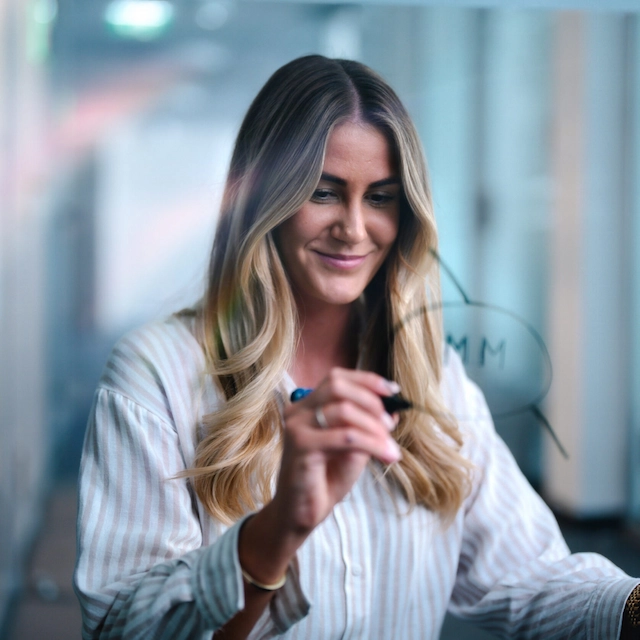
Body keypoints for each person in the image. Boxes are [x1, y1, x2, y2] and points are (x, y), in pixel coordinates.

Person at [74, 55, 640, 639]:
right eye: (323, 192)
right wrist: (274, 533)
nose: (353, 227)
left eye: (380, 197)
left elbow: (534, 576)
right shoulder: (156, 375)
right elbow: (123, 630)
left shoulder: (430, 378)